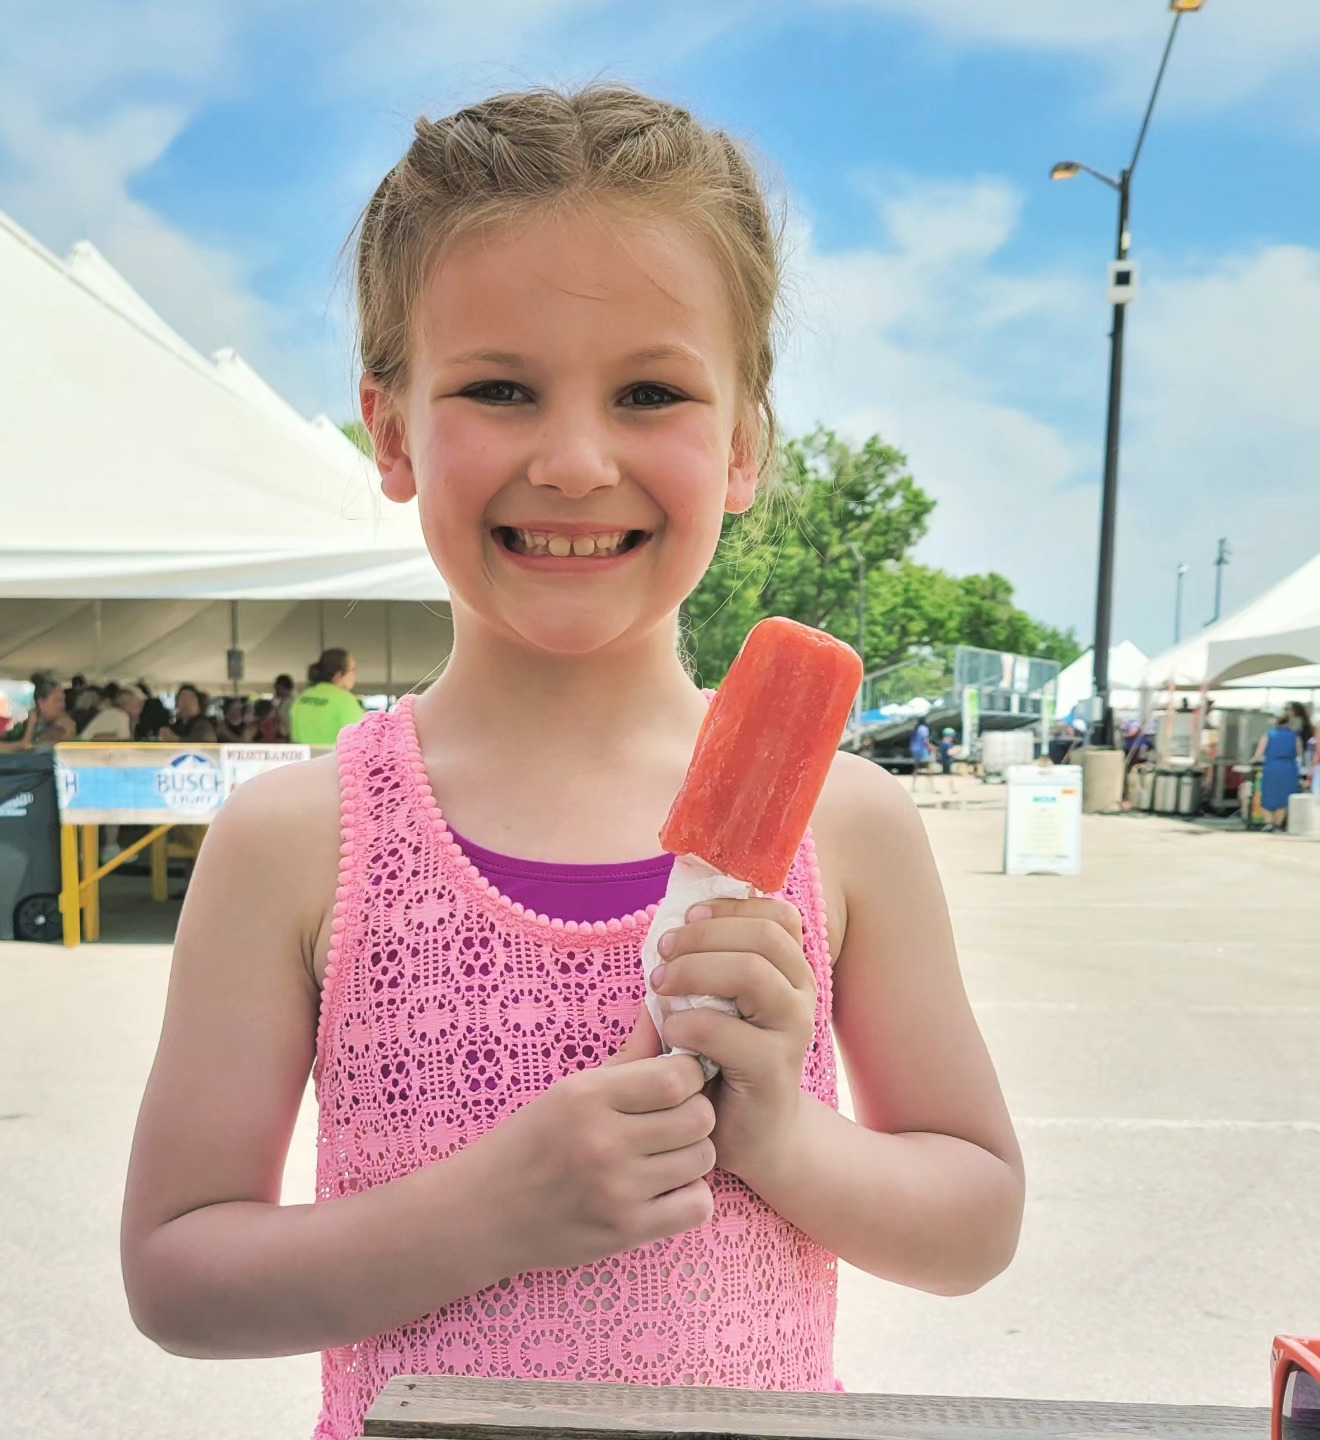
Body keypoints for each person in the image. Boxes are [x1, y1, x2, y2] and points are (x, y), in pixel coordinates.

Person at [120, 85, 1023, 1433]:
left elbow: (974, 1219)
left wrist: (781, 1134)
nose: (577, 459)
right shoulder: (300, 842)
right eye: (498, 389)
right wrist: (484, 1214)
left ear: (744, 447)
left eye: (651, 391)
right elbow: (180, 1275)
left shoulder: (848, 823)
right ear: (392, 433)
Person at [287, 648, 363, 746]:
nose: (355, 674)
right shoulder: (344, 699)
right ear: (339, 674)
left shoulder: (302, 698)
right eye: (353, 670)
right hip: (334, 760)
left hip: (307, 759)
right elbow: (360, 739)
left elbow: (295, 738)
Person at [0, 676, 76, 751]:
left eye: (63, 700)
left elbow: (35, 747)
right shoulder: (31, 722)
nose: (62, 705)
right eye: (57, 701)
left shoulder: (64, 725)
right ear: (41, 703)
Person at [1252, 711, 1303, 832]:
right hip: (1289, 768)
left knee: (1269, 794)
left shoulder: (1269, 734)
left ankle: (1269, 822)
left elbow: (1259, 754)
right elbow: (1299, 753)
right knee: (1284, 797)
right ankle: (1278, 824)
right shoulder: (1295, 736)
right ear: (1288, 722)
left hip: (1272, 766)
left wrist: (1253, 760)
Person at [908, 717, 935, 793]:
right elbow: (925, 740)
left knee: (916, 768)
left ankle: (913, 786)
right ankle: (932, 788)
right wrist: (931, 747)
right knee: (929, 767)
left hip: (914, 750)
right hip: (922, 750)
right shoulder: (924, 728)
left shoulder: (916, 728)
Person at [272, 673, 296, 741]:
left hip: (286, 737)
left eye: (278, 689)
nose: (276, 692)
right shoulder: (279, 703)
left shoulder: (290, 704)